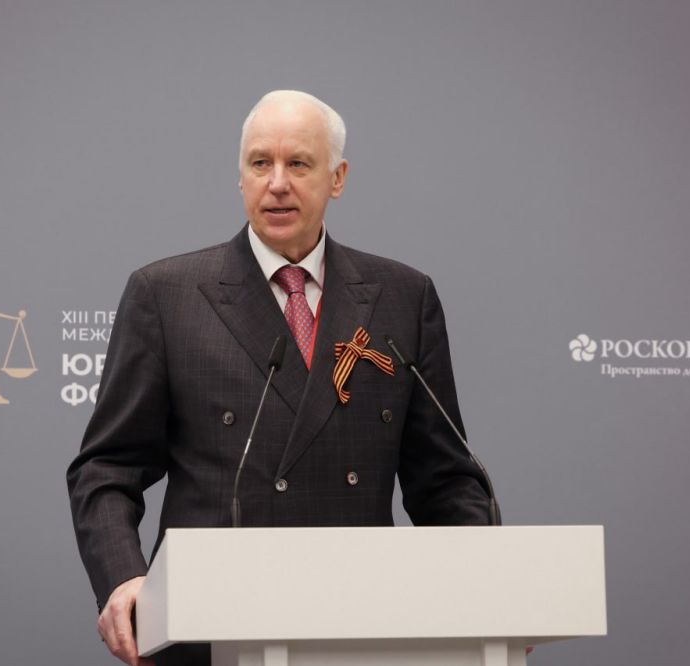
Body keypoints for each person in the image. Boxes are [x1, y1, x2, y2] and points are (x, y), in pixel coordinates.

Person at [66, 90, 492, 666]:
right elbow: (107, 467)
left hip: (360, 623)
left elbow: (445, 481)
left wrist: (489, 587)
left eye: (299, 164)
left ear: (337, 178)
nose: (277, 184)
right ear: (240, 176)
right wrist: (123, 578)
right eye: (260, 163)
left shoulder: (402, 298)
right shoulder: (166, 295)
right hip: (208, 626)